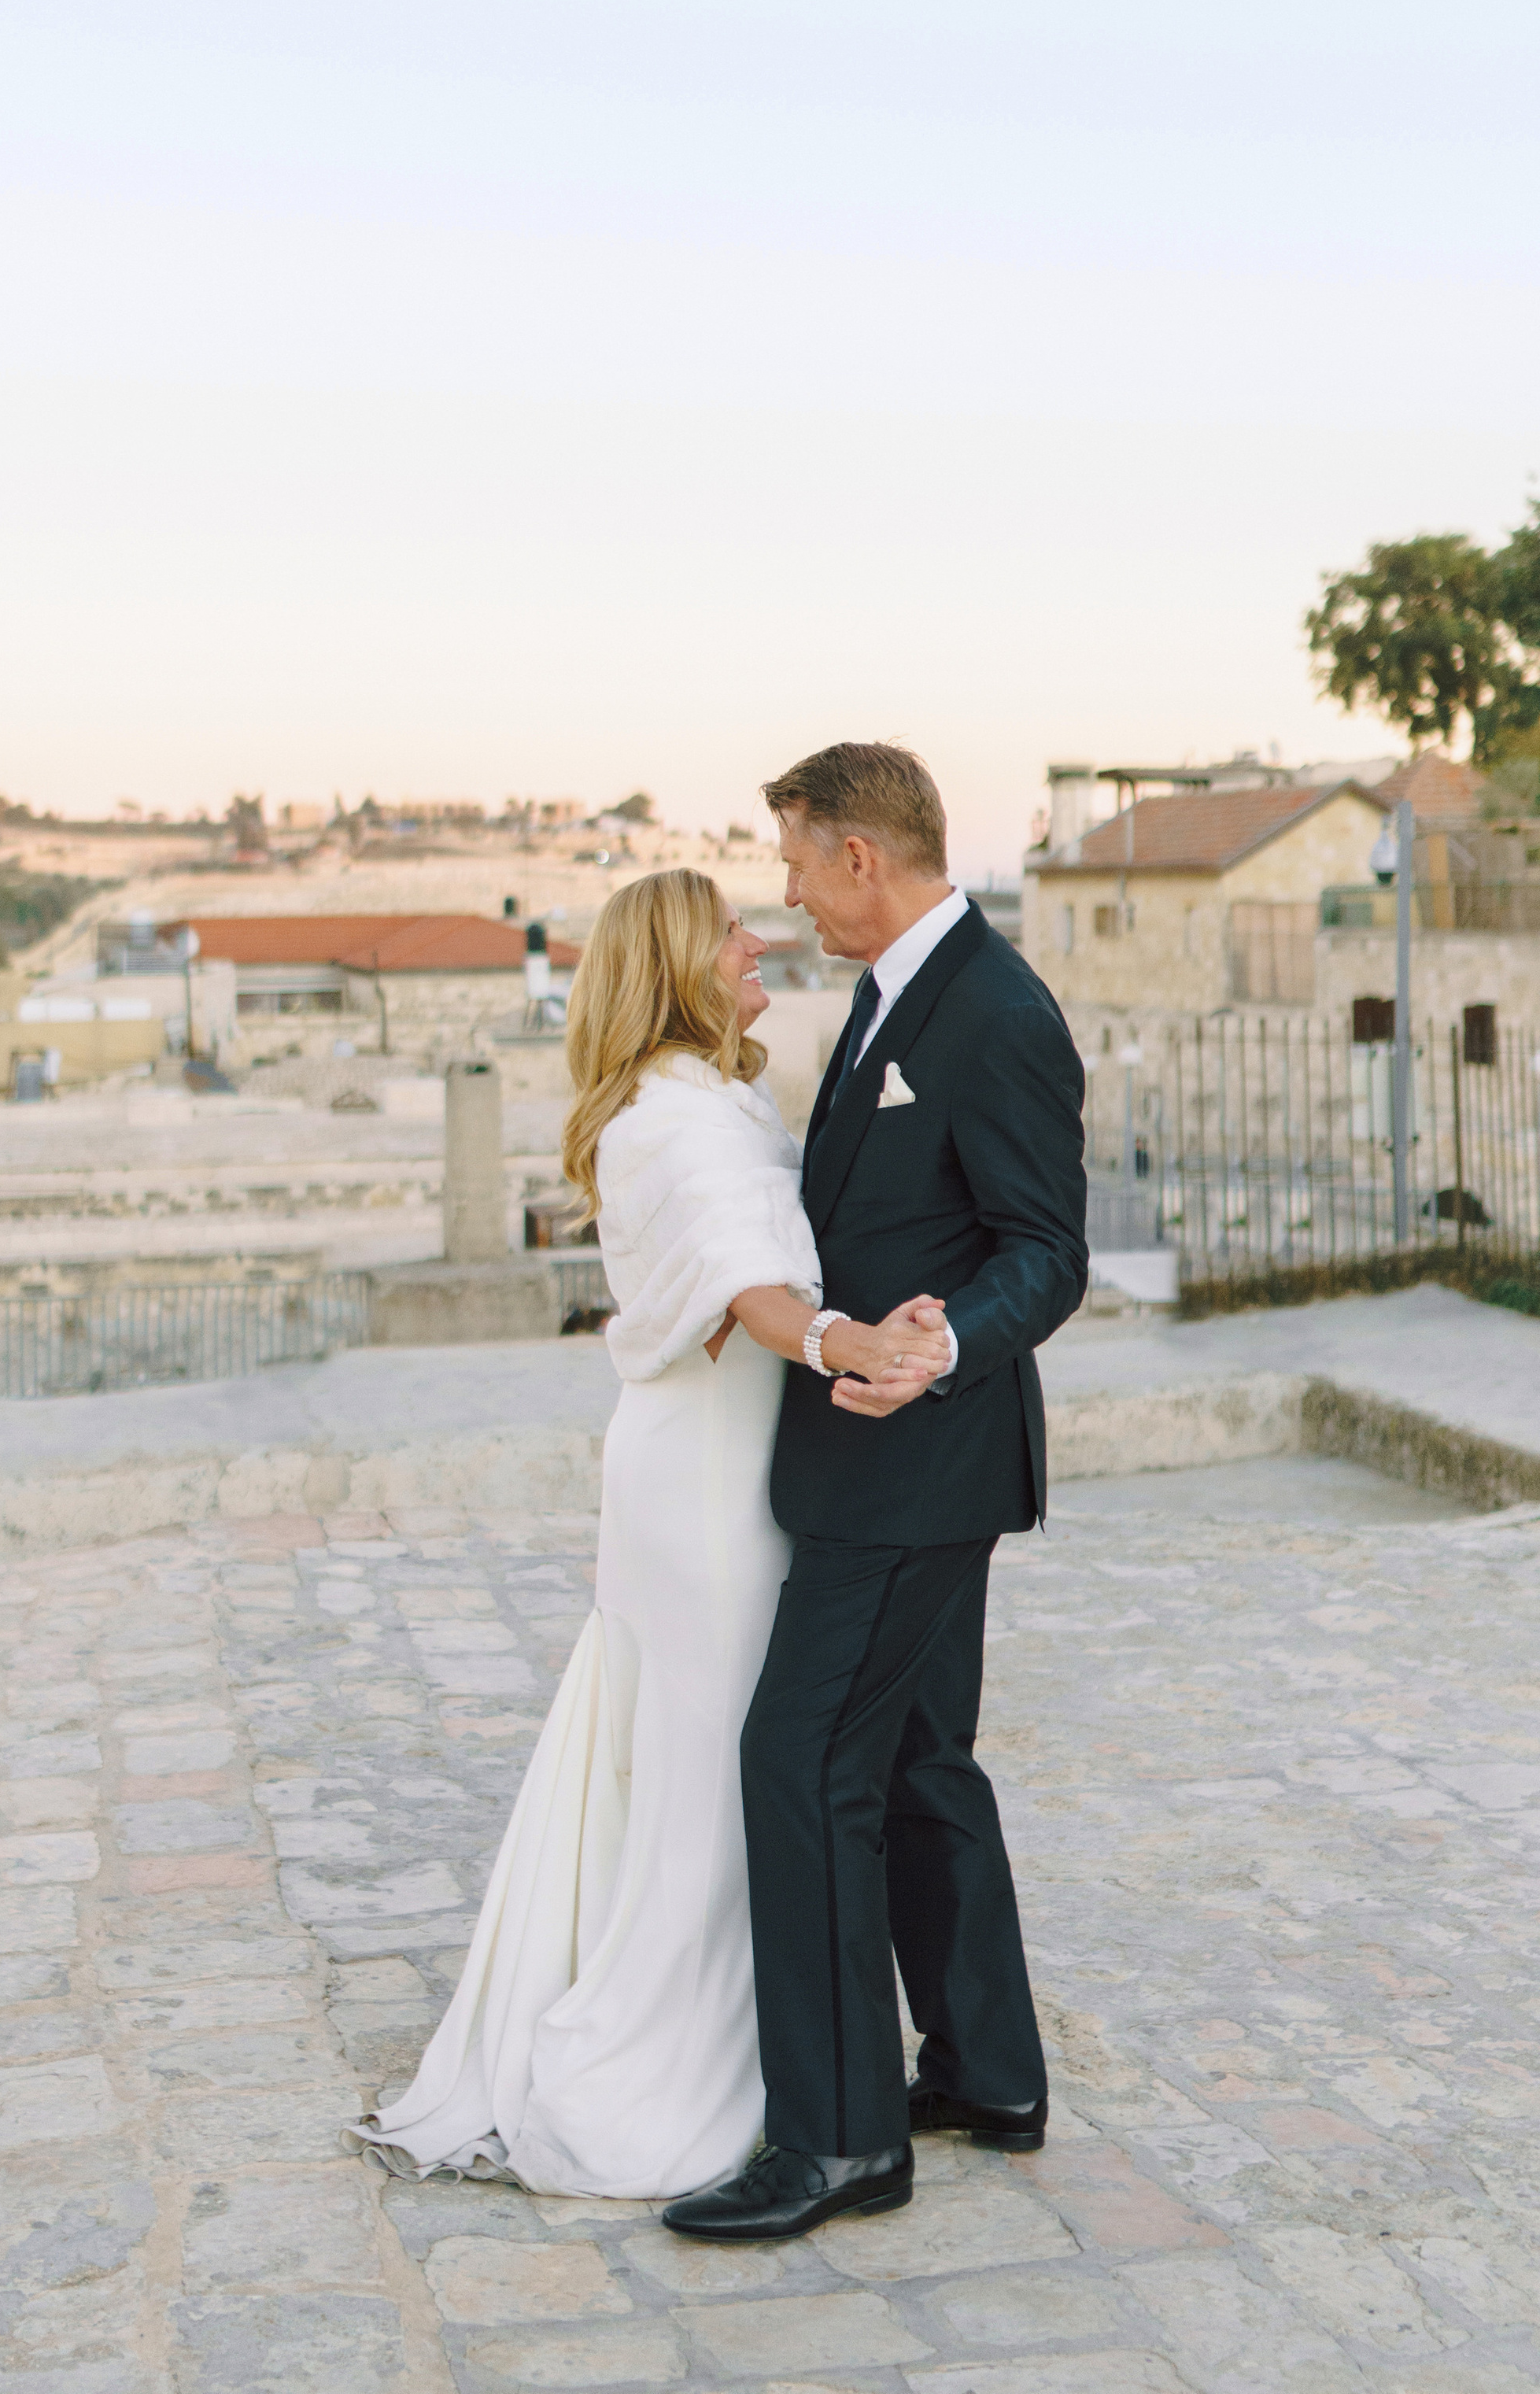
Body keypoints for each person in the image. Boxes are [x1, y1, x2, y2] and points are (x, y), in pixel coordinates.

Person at [345, 865, 950, 2197]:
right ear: (678, 962)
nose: (755, 941)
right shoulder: (677, 1123)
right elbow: (752, 1287)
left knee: (702, 1757)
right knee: (714, 1775)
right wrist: (856, 1343)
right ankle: (675, 2068)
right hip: (710, 1488)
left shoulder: (706, 1094)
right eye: (729, 930)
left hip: (715, 1461)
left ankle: (771, 2043)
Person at [661, 742, 1088, 2244]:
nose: (783, 897)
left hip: (917, 1462)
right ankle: (988, 2073)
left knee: (801, 1761)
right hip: (879, 1455)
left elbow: (1049, 1251)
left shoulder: (995, 1009)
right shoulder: (885, 998)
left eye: (793, 864)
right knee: (914, 1759)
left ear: (860, 856)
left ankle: (840, 2140)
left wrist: (942, 1349)